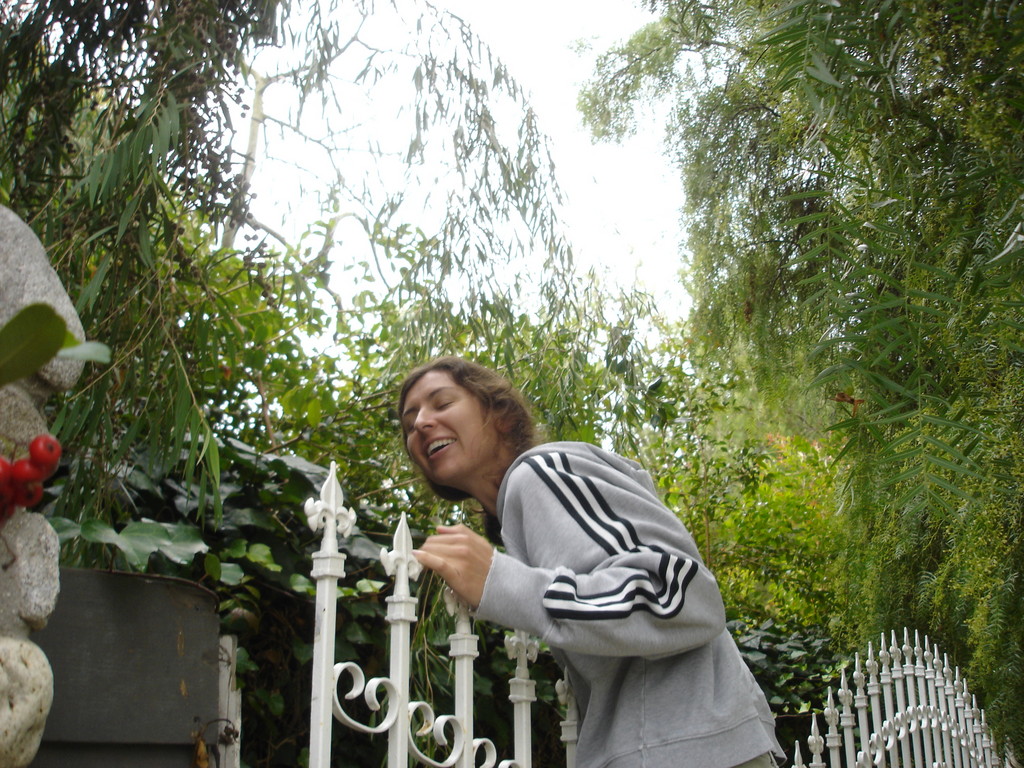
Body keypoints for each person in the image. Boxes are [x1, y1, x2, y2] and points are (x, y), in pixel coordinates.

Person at [399, 356, 784, 768]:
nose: (421, 423)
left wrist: (503, 583)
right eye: (409, 423)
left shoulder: (539, 471)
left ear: (499, 415)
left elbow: (681, 595)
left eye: (441, 403)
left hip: (687, 749)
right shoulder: (520, 513)